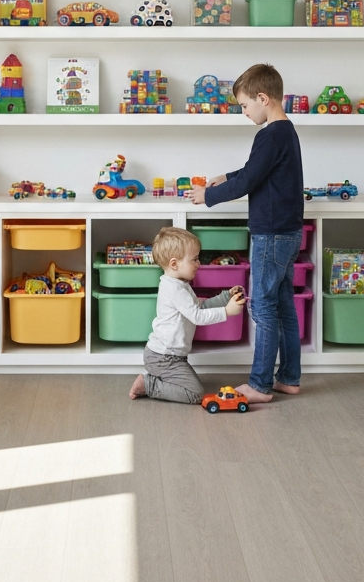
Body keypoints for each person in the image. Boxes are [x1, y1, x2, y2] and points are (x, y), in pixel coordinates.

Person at [189, 63, 304, 403]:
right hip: (288, 232)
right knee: (283, 306)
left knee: (263, 308)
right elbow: (254, 171)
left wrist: (207, 196)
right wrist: (226, 176)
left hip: (270, 235)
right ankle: (290, 378)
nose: (244, 112)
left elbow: (251, 180)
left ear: (263, 98)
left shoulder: (268, 134)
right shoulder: (286, 131)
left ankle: (260, 385)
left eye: (244, 105)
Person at [129, 226, 245, 404]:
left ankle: (158, 381)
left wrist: (225, 297)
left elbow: (200, 305)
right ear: (174, 264)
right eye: (194, 259)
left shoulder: (179, 284)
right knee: (195, 394)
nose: (198, 264)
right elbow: (197, 316)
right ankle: (149, 385)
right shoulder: (175, 289)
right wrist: (227, 311)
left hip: (170, 356)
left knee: (192, 387)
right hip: (163, 358)